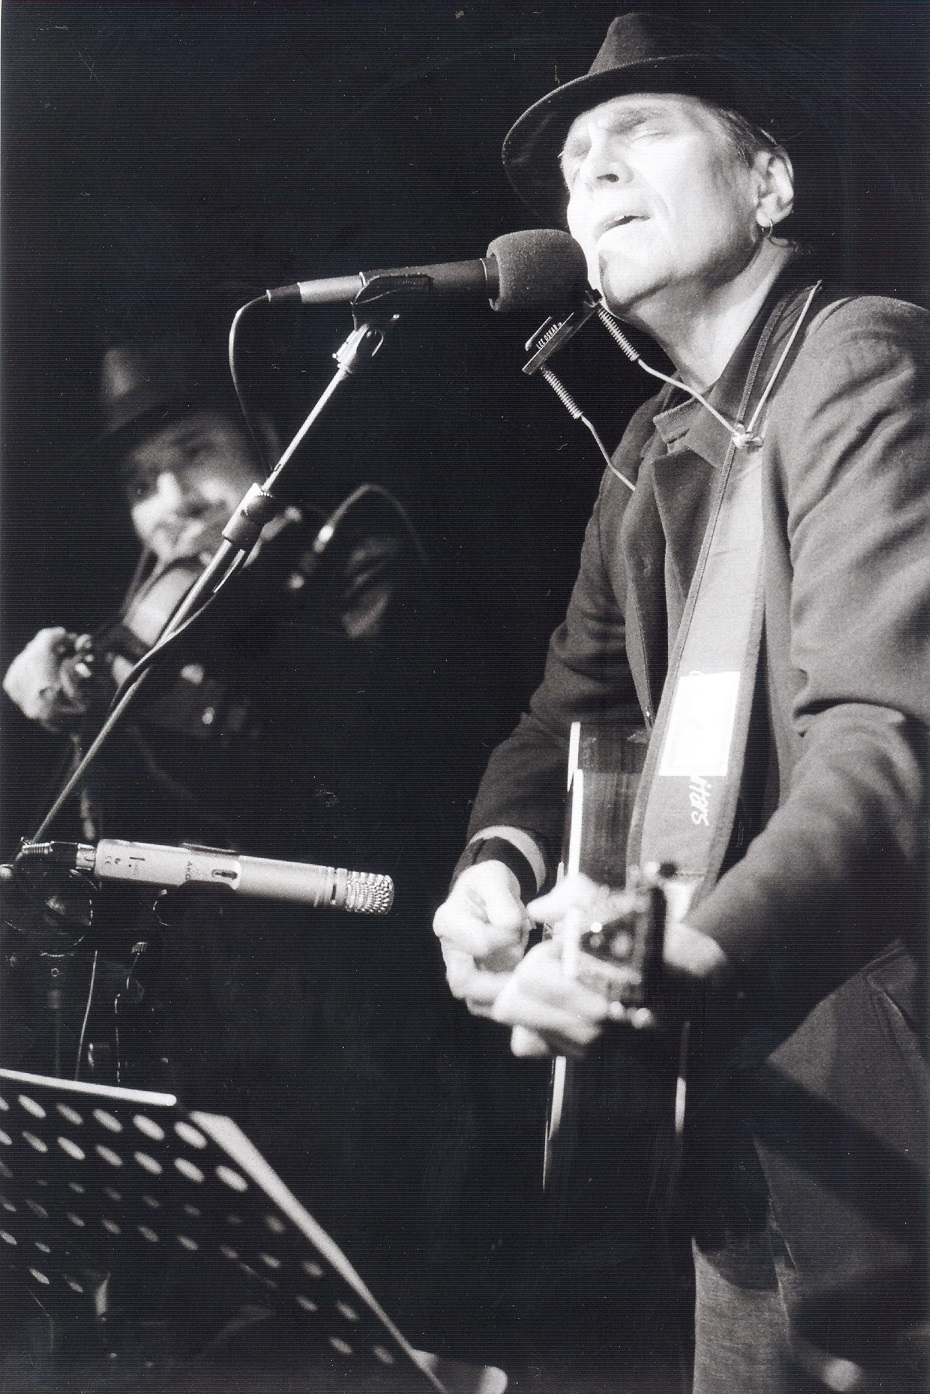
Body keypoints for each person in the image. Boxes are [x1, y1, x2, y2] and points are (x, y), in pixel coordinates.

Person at [432, 12, 929, 1392]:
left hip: (886, 1122)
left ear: (769, 183)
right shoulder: (652, 450)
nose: (590, 173)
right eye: (574, 165)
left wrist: (685, 959)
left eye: (636, 133)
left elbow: (887, 739)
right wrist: (492, 868)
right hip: (738, 1123)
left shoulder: (862, 361)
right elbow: (562, 715)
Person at [1, 300, 465, 1303]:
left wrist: (142, 677)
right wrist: (52, 694)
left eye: (195, 454)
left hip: (363, 1035)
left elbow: (343, 774)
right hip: (212, 1038)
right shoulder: (152, 617)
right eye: (141, 484)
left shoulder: (353, 546)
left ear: (264, 441)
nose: (171, 501)